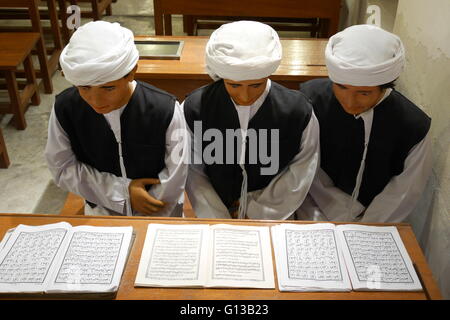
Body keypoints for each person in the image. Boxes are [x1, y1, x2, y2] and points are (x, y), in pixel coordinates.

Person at [45, 21, 189, 216]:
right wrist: (123, 192)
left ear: (131, 73)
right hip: (100, 208)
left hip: (161, 210)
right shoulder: (65, 108)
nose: (95, 100)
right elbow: (62, 167)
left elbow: (177, 171)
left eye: (108, 88)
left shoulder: (165, 109)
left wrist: (150, 206)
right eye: (85, 88)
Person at [183, 21, 320, 220]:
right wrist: (216, 215)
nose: (246, 96)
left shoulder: (297, 110)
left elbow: (302, 168)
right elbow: (193, 170)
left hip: (275, 212)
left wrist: (260, 211)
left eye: (256, 85)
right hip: (213, 211)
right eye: (234, 85)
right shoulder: (195, 107)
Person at [297, 24, 432, 223]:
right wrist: (335, 212)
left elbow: (404, 191)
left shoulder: (413, 126)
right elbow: (305, 165)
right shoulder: (311, 100)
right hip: (313, 210)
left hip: (378, 223)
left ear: (385, 87)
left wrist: (367, 225)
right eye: (341, 87)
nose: (350, 102)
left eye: (364, 93)